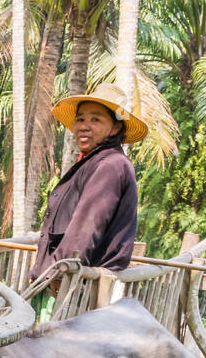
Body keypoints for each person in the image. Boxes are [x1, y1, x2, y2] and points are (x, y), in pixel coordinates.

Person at [26, 83, 147, 285]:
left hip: (81, 285)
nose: (84, 125)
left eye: (95, 119)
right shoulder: (93, 163)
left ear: (115, 127)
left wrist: (59, 272)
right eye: (80, 119)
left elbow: (86, 227)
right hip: (67, 278)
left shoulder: (110, 165)